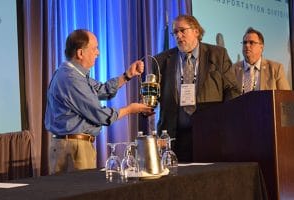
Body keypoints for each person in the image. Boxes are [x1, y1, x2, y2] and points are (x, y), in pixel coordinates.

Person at [45, 29, 154, 174]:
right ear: (80, 53)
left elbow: (102, 90)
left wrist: (127, 75)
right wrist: (130, 109)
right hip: (74, 149)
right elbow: (100, 115)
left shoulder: (74, 74)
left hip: (71, 145)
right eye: (95, 48)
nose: (98, 53)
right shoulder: (72, 79)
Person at [152, 15, 241, 162]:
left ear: (196, 32)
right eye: (175, 32)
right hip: (174, 137)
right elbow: (154, 96)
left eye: (182, 31)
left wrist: (226, 121)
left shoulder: (218, 55)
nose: (178, 36)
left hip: (210, 133)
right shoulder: (161, 60)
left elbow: (232, 90)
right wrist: (146, 105)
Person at [233, 27, 290, 93]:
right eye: (244, 42)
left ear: (261, 47)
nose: (247, 45)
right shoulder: (233, 70)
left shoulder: (276, 69)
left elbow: (286, 99)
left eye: (251, 42)